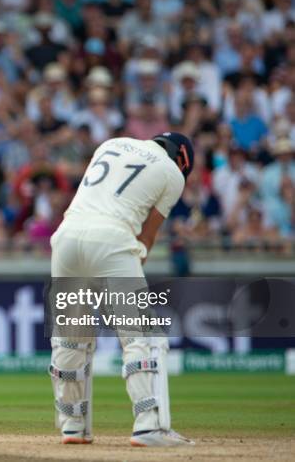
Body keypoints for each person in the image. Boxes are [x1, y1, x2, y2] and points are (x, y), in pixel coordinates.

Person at [49, 132, 195, 446]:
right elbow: (148, 234)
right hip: (112, 239)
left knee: (71, 337)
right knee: (142, 334)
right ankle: (150, 425)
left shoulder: (111, 144)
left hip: (66, 237)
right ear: (182, 158)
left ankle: (73, 425)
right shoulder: (172, 173)